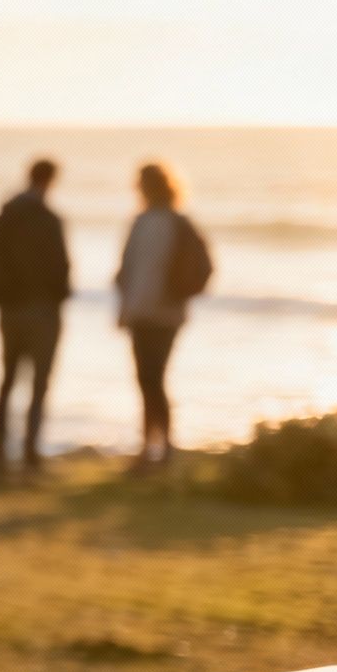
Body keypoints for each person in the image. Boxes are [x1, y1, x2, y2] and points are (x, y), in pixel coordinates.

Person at [0, 158, 72, 476]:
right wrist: (59, 294)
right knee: (38, 384)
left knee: (7, 381)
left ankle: (1, 455)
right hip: (41, 310)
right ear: (51, 181)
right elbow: (60, 266)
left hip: (10, 309)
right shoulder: (47, 219)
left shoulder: (7, 214)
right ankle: (30, 454)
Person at [114, 161, 213, 469]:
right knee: (146, 378)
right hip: (141, 312)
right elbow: (127, 270)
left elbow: (204, 267)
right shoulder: (142, 222)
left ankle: (162, 447)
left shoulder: (177, 223)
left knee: (153, 377)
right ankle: (151, 446)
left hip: (165, 313)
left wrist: (180, 291)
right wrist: (124, 306)